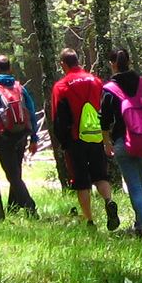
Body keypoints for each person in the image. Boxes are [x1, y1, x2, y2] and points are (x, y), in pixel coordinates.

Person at [47, 49, 119, 230]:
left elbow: (57, 117)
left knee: (81, 182)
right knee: (100, 175)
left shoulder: (61, 86)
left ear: (63, 64)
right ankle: (109, 200)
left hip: (75, 138)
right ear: (77, 61)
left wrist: (62, 141)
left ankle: (90, 221)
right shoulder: (95, 81)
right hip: (95, 136)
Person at [100, 46, 142, 243]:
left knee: (134, 187)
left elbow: (105, 120)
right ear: (129, 61)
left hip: (122, 143)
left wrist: (106, 142)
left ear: (113, 64)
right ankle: (139, 224)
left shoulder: (110, 89)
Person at [0, 55, 40, 216]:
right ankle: (13, 208)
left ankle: (31, 207)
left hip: (3, 137)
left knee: (13, 175)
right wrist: (34, 138)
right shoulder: (19, 87)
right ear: (10, 69)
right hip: (21, 135)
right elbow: (31, 113)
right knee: (15, 173)